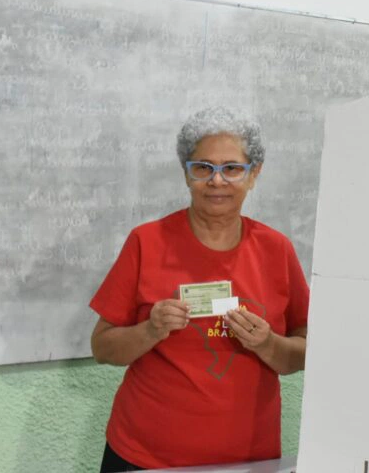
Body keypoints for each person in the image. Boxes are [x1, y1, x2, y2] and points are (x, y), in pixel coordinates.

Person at [90, 107, 309, 472]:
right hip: (144, 458)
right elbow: (102, 348)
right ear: (186, 174)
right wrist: (151, 329)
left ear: (254, 174)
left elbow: (303, 354)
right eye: (203, 168)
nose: (217, 181)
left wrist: (267, 344)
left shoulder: (277, 249)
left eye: (232, 168)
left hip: (250, 459)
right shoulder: (146, 242)